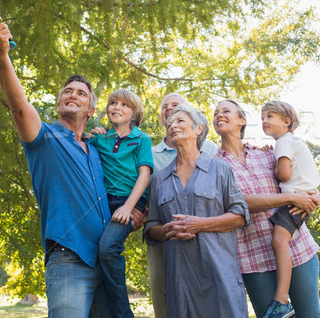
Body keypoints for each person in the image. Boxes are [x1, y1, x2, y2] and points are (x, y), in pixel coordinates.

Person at [0, 16, 143, 317]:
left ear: (92, 110)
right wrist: (2, 54)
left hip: (106, 261)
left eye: (81, 93)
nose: (72, 95)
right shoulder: (43, 137)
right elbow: (19, 106)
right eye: (67, 91)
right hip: (69, 260)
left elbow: (128, 179)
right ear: (60, 102)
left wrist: (137, 210)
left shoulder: (98, 148)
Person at [213, 99, 320, 318]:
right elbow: (237, 203)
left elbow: (298, 179)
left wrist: (313, 195)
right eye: (215, 113)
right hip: (253, 258)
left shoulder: (267, 154)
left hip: (298, 249)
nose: (218, 115)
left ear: (242, 121)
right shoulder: (213, 166)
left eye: (226, 111)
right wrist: (290, 197)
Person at [144, 105, 250, 318]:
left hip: (219, 276)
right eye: (170, 123)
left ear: (198, 129)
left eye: (180, 121)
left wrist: (199, 224)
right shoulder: (158, 180)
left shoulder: (221, 169)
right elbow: (150, 228)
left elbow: (239, 215)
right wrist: (167, 230)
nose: (172, 125)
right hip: (179, 282)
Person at [148, 93, 219, 318]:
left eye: (176, 106)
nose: (169, 109)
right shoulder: (150, 154)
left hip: (208, 238)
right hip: (165, 240)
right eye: (164, 107)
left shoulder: (211, 150)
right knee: (166, 298)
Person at [89, 88, 153, 318]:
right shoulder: (100, 138)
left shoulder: (141, 139)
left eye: (124, 105)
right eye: (113, 103)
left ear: (134, 113)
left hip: (129, 203)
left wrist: (129, 207)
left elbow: (144, 175)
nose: (116, 107)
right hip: (103, 204)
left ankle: (124, 314)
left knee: (108, 248)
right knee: (96, 254)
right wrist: (91, 135)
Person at [260, 100, 320, 318]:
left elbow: (284, 175)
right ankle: (283, 297)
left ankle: (281, 299)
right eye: (263, 117)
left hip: (295, 200)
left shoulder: (284, 142)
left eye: (270, 117)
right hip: (302, 197)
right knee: (281, 241)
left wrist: (274, 167)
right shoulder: (289, 142)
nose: (264, 121)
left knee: (278, 241)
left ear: (286, 122)